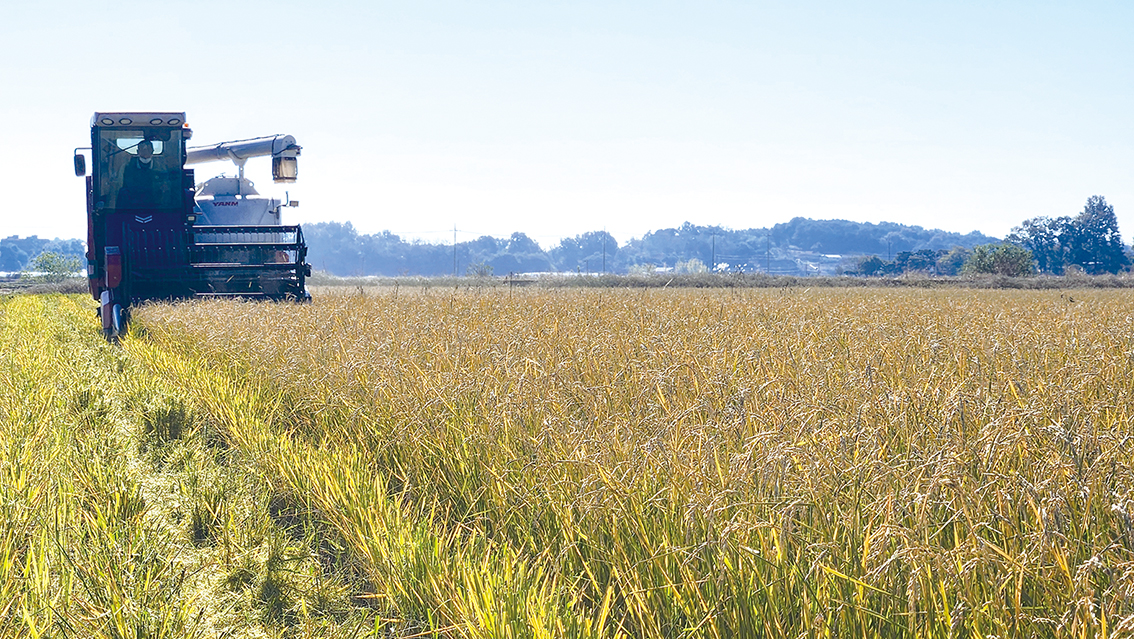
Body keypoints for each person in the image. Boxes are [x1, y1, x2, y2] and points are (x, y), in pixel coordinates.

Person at [118, 140, 160, 208]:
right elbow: (122, 184)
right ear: (138, 152)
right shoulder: (127, 167)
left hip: (156, 205)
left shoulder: (161, 167)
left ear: (152, 151)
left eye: (148, 149)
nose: (146, 152)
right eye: (143, 149)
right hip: (131, 206)